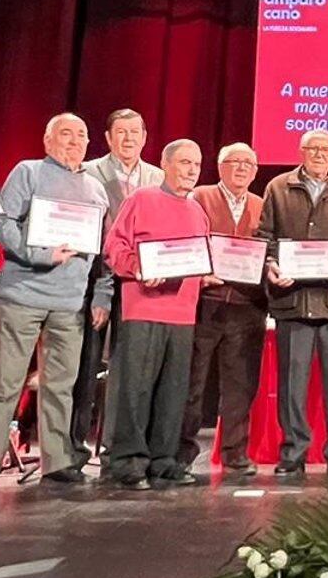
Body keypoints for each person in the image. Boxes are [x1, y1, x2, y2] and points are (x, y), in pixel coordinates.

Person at [0, 113, 112, 490]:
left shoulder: (96, 189)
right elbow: (3, 224)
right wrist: (42, 254)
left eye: (82, 135)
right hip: (22, 297)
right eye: (66, 134)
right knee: (4, 383)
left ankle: (56, 462)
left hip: (70, 303)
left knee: (61, 385)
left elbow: (103, 253)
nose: (75, 141)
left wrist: (100, 294)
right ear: (48, 140)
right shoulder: (28, 172)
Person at [258, 129, 328, 477]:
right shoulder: (278, 187)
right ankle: (293, 452)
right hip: (292, 301)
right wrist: (271, 265)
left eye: (326, 150)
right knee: (292, 383)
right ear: (301, 151)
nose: (319, 154)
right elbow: (264, 237)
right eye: (313, 148)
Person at [102, 139, 209, 489]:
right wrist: (139, 268)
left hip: (183, 313)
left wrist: (207, 272)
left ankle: (164, 461)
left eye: (196, 164)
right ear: (165, 164)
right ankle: (128, 462)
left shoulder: (197, 211)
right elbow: (115, 248)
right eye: (184, 163)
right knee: (136, 389)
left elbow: (199, 257)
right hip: (144, 307)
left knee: (174, 391)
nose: (191, 170)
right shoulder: (141, 199)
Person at [73, 109, 164, 469]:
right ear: (108, 138)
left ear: (144, 137)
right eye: (121, 132)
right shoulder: (88, 172)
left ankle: (116, 447)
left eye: (135, 132)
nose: (128, 139)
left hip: (139, 283)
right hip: (90, 277)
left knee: (128, 372)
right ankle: (76, 450)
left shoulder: (157, 177)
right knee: (86, 367)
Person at [180, 142, 264, 480]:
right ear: (219, 166)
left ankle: (235, 453)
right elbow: (186, 240)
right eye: (234, 162)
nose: (242, 168)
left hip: (248, 306)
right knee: (192, 383)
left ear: (256, 172)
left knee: (240, 385)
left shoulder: (261, 204)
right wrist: (198, 273)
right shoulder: (199, 197)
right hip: (206, 303)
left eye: (248, 163)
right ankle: (181, 452)